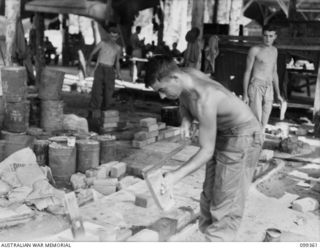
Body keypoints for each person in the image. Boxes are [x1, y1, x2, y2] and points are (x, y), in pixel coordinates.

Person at [144, 55, 263, 241]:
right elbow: (184, 100)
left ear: (174, 78)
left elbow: (206, 151)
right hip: (224, 131)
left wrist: (175, 176)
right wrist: (186, 118)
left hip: (243, 136)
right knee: (209, 198)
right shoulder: (185, 75)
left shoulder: (204, 98)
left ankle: (219, 240)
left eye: (162, 89)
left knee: (226, 205)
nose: (161, 96)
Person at [243, 25, 284, 130]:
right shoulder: (255, 50)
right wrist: (245, 94)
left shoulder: (275, 50)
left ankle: (258, 142)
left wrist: (278, 94)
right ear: (262, 36)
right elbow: (247, 72)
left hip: (269, 87)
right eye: (265, 35)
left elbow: (274, 72)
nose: (268, 38)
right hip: (256, 85)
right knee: (256, 119)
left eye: (271, 36)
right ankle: (254, 142)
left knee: (265, 120)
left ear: (275, 36)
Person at [87, 27, 122, 115]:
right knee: (96, 91)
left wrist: (118, 73)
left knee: (108, 92)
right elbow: (92, 54)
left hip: (110, 70)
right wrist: (88, 66)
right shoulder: (102, 43)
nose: (113, 38)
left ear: (118, 37)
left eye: (115, 37)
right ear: (108, 35)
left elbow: (117, 62)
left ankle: (105, 112)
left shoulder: (118, 48)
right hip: (100, 68)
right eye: (111, 36)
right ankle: (93, 111)